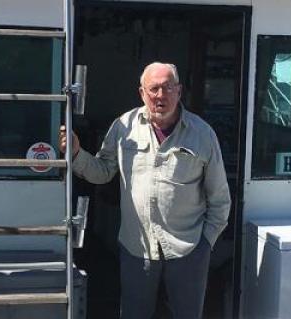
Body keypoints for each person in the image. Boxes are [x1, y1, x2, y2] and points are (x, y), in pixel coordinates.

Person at [59, 62, 231, 319]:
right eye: (154, 89)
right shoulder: (123, 126)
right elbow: (102, 171)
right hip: (137, 249)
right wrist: (75, 153)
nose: (161, 95)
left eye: (167, 88)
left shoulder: (202, 134)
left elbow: (219, 198)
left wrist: (205, 244)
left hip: (188, 249)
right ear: (142, 93)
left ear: (179, 91)